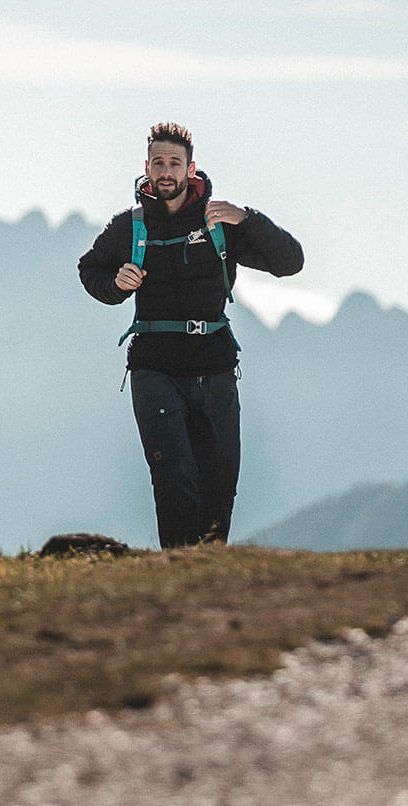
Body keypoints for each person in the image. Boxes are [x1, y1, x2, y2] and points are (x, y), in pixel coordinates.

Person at [77, 123, 303, 547]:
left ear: (190, 168)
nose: (166, 171)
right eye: (158, 162)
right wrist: (116, 284)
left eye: (174, 163)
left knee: (220, 483)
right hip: (153, 370)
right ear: (146, 167)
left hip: (215, 368)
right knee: (174, 475)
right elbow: (90, 270)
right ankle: (177, 571)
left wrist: (248, 218)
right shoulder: (130, 227)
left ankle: (208, 574)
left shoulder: (220, 221)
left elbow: (290, 262)